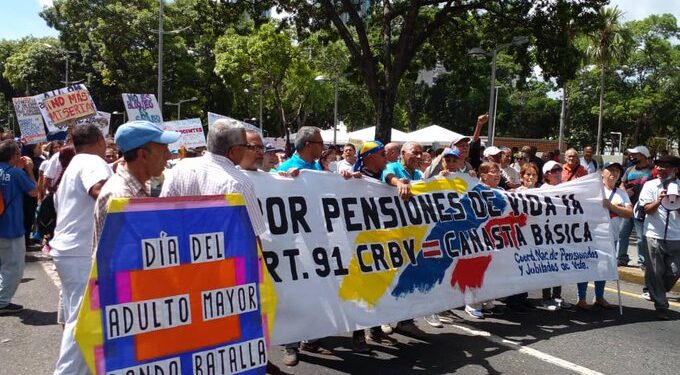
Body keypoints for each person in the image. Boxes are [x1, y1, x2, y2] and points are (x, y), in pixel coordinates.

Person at [51, 124, 112, 375]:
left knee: (82, 319)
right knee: (83, 321)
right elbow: (100, 190)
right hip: (81, 251)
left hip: (70, 250)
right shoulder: (91, 161)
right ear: (99, 140)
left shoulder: (74, 163)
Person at [93, 121, 180, 251]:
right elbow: (126, 253)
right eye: (163, 150)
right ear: (143, 155)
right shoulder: (120, 195)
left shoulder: (142, 186)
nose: (168, 156)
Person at [576, 162, 631, 310]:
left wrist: (611, 207)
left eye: (617, 171)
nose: (614, 173)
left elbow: (629, 213)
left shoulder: (622, 193)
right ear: (602, 173)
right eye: (610, 170)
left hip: (611, 237)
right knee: (586, 266)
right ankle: (581, 298)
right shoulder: (593, 190)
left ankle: (599, 297)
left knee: (604, 267)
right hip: (592, 236)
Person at [638, 155, 680, 320]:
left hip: (676, 236)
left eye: (666, 166)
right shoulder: (650, 185)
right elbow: (646, 209)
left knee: (675, 271)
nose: (661, 169)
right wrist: (659, 200)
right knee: (655, 271)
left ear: (675, 170)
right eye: (659, 166)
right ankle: (661, 306)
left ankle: (655, 289)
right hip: (654, 234)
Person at [0, 140, 38, 315]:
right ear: (14, 155)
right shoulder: (16, 174)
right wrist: (29, 171)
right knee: (13, 266)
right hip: (10, 227)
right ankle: (2, 302)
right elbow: (34, 191)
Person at [539, 160, 572, 311]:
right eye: (555, 170)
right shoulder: (542, 190)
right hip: (546, 234)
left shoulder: (566, 188)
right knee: (547, 265)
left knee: (559, 265)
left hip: (562, 233)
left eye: (560, 169)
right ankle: (546, 298)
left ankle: (557, 296)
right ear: (547, 175)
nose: (559, 172)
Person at [618, 145, 653, 268]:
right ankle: (621, 258)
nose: (631, 156)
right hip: (628, 208)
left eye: (635, 154)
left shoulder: (652, 171)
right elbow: (622, 183)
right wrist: (624, 192)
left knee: (641, 237)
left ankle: (642, 261)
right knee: (622, 234)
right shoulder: (629, 170)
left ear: (643, 155)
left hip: (642, 209)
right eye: (631, 154)